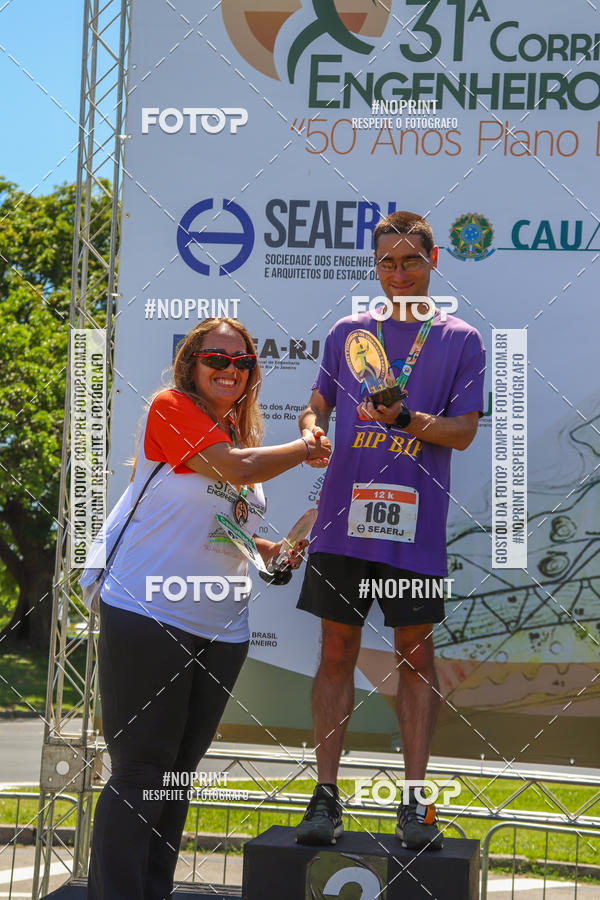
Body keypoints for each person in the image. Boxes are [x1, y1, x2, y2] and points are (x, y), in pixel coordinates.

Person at [87, 317, 330, 899]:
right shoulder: (171, 407)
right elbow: (237, 469)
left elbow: (223, 528)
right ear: (191, 364)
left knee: (175, 777)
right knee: (140, 771)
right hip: (148, 610)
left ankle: (154, 891)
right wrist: (308, 447)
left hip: (221, 629)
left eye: (241, 362)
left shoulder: (238, 434)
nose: (229, 369)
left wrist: (269, 550)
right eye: (216, 359)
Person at [295, 211, 486, 851]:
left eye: (410, 261)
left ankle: (415, 802)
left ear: (434, 261)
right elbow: (317, 404)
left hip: (415, 527)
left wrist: (406, 419)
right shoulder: (348, 332)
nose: (398, 274)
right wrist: (311, 432)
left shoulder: (461, 339)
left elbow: (463, 432)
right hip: (342, 523)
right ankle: (325, 797)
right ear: (374, 266)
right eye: (386, 262)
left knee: (416, 658)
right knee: (336, 652)